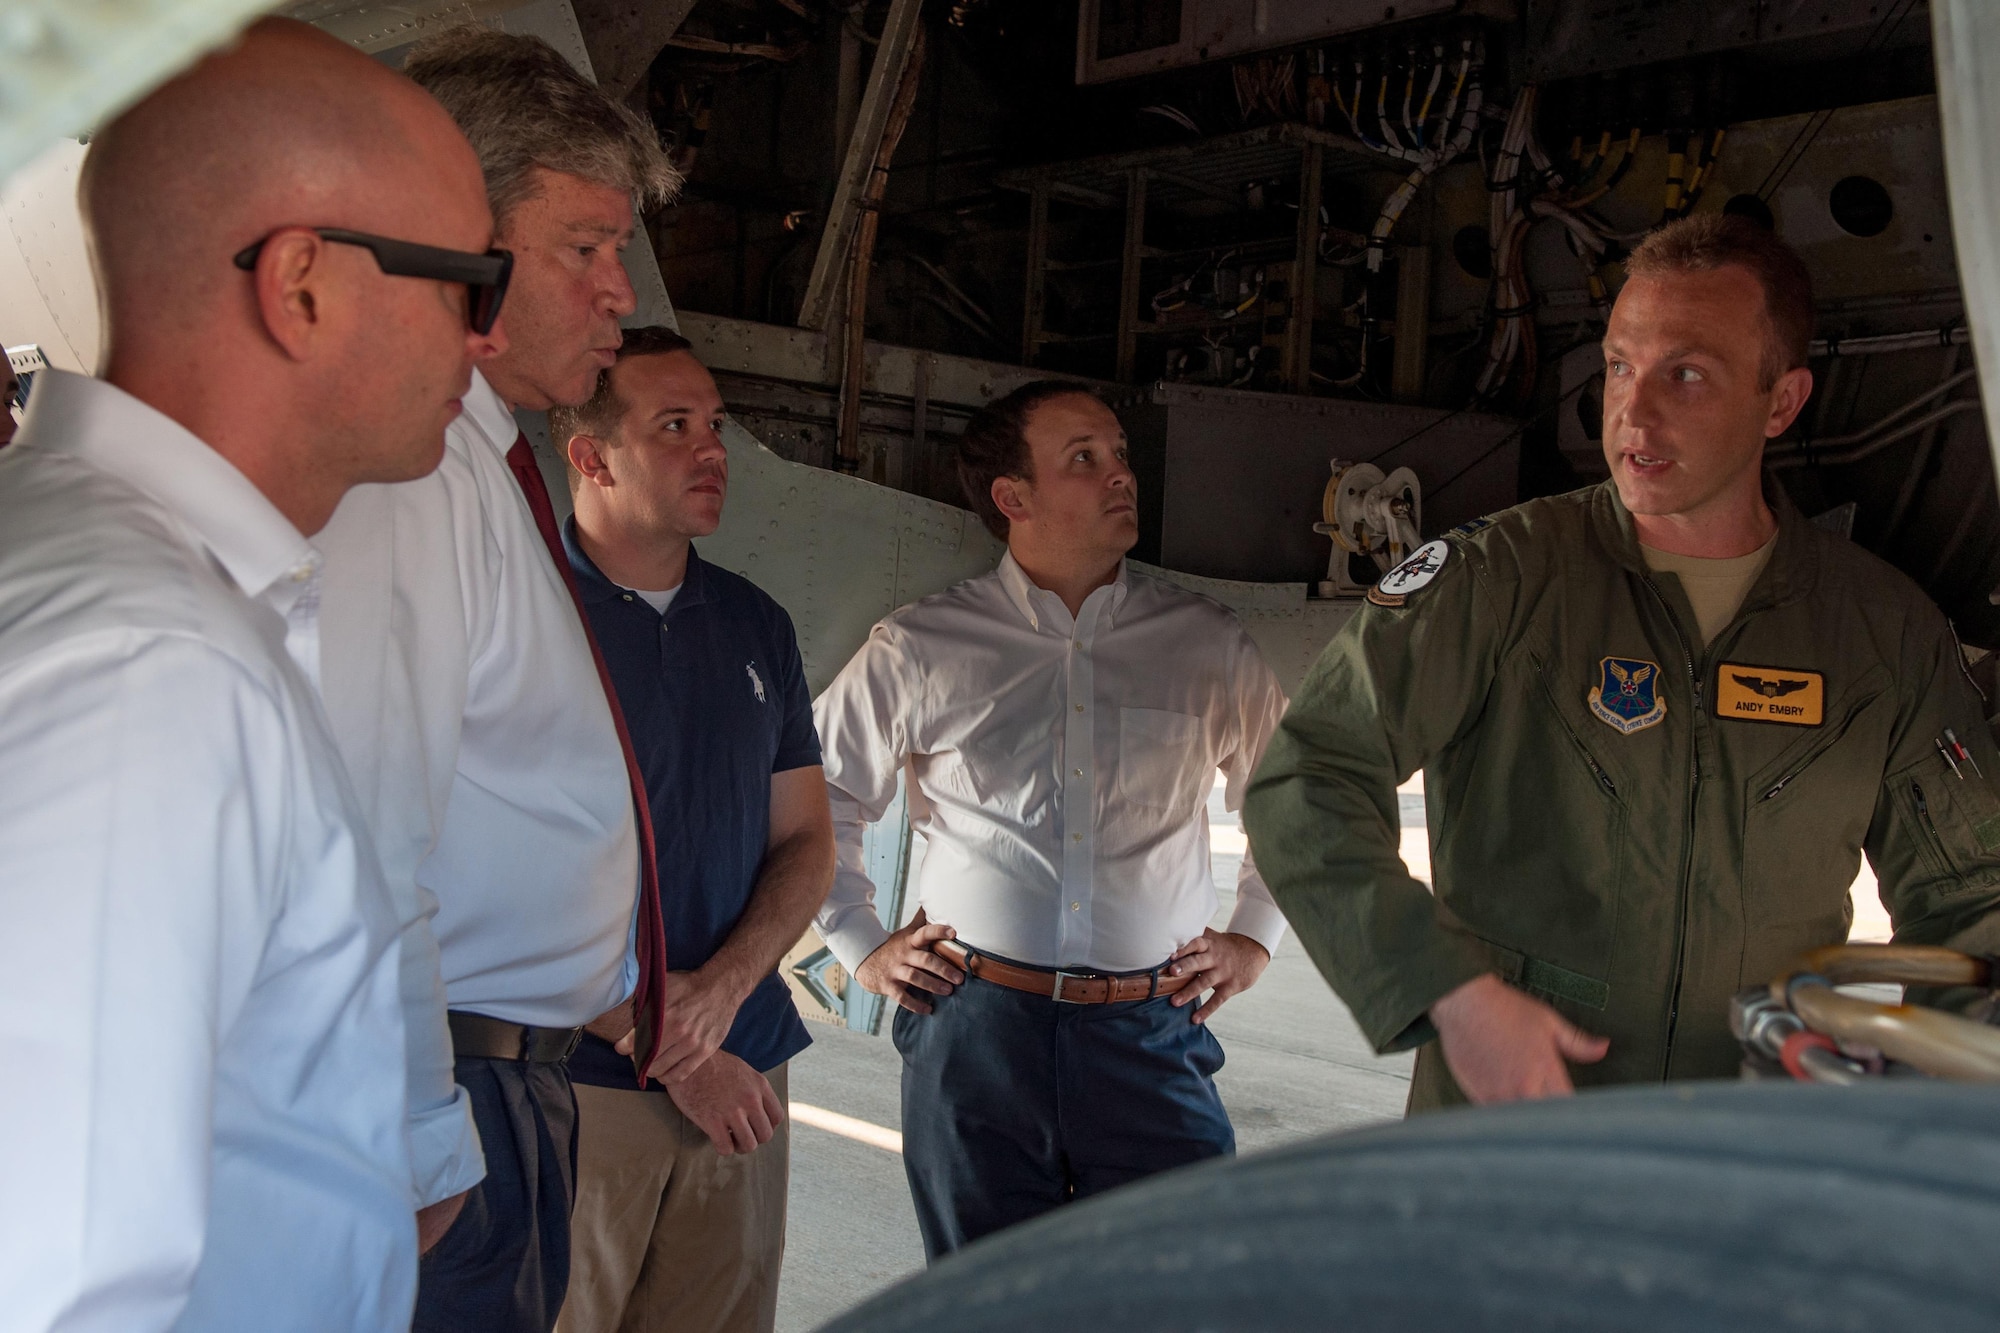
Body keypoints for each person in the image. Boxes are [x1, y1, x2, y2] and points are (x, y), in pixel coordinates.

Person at [1244, 214, 2000, 1112]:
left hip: (1754, 1148)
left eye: (1685, 374)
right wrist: (1449, 990)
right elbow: (1307, 780)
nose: (1634, 412)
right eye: (1618, 368)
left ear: (1783, 401)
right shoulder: (1502, 576)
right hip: (1512, 1136)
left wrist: (1944, 1090)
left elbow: (1971, 902)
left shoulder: (1881, 630)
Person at [0, 18, 504, 1328]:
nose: (483, 344)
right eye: (472, 283)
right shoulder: (147, 667)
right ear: (302, 288)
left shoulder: (111, 579)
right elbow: (56, 1283)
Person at [311, 25, 680, 1332]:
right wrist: (418, 1136)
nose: (620, 292)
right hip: (449, 1101)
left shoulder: (473, 461)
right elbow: (358, 832)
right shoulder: (413, 478)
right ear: (457, 227)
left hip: (502, 1085)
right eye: (586, 246)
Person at [813, 381, 1290, 1259]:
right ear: (1012, 498)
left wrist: (1254, 935)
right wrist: (858, 940)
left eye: (1119, 454)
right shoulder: (923, 646)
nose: (1121, 474)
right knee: (985, 1298)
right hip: (976, 1028)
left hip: (1151, 1030)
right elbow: (824, 793)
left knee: (1176, 1290)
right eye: (1086, 457)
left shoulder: (1205, 645)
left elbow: (1297, 798)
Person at [549, 327, 834, 1333]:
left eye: (712, 424)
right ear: (590, 457)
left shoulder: (756, 624)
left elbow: (806, 842)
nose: (711, 448)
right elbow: (483, 880)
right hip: (580, 1085)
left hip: (743, 1073)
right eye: (673, 426)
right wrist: (673, 1043)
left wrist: (718, 998)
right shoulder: (526, 621)